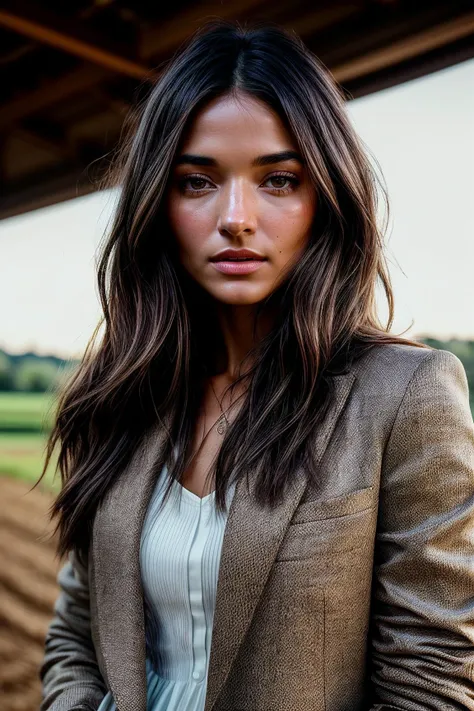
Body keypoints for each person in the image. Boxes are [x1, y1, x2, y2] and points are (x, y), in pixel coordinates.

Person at [39, 19, 474, 711]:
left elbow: (432, 685)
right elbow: (74, 633)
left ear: (324, 198)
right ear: (158, 204)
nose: (236, 216)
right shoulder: (122, 394)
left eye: (277, 179)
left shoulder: (406, 396)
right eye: (196, 181)